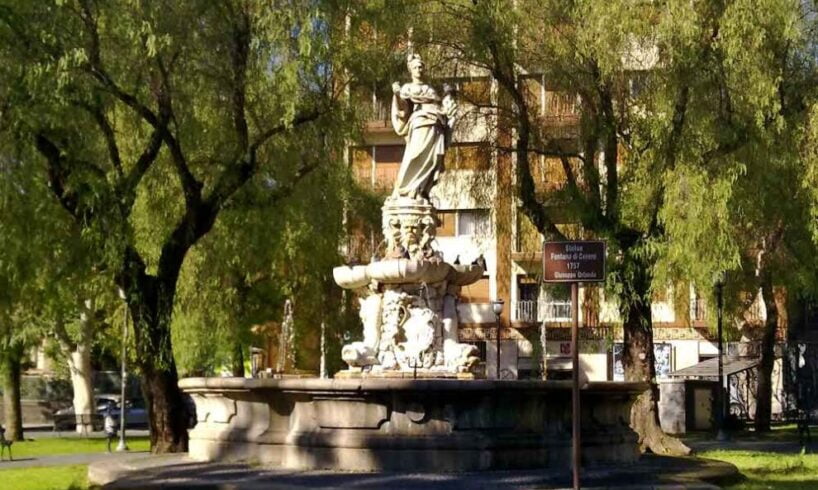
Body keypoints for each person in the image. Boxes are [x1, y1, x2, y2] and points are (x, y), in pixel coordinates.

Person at [390, 53, 457, 201]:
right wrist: (397, 95)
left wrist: (447, 110)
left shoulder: (430, 89)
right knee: (414, 156)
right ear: (411, 70)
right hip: (420, 123)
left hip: (435, 125)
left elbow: (440, 107)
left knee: (431, 160)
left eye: (421, 66)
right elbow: (403, 109)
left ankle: (420, 190)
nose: (419, 69)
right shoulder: (407, 88)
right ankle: (405, 190)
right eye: (416, 67)